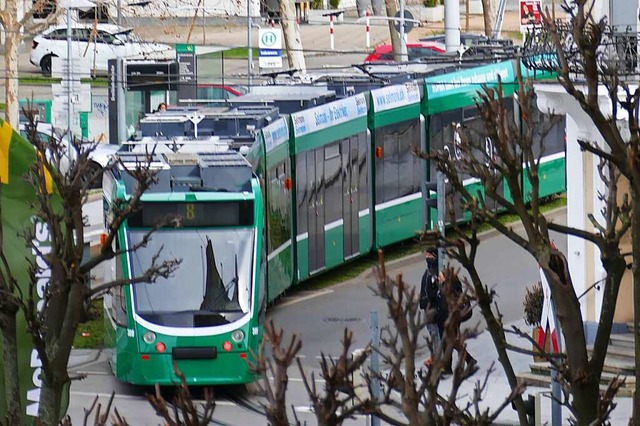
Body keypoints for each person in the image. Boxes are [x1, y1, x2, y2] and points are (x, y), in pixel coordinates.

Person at [419, 249, 476, 375]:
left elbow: (457, 292)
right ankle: (451, 366)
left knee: (451, 339)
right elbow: (424, 298)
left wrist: (444, 284)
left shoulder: (446, 275)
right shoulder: (428, 276)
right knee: (448, 339)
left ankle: (465, 362)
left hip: (453, 313)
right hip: (441, 315)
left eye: (431, 257)